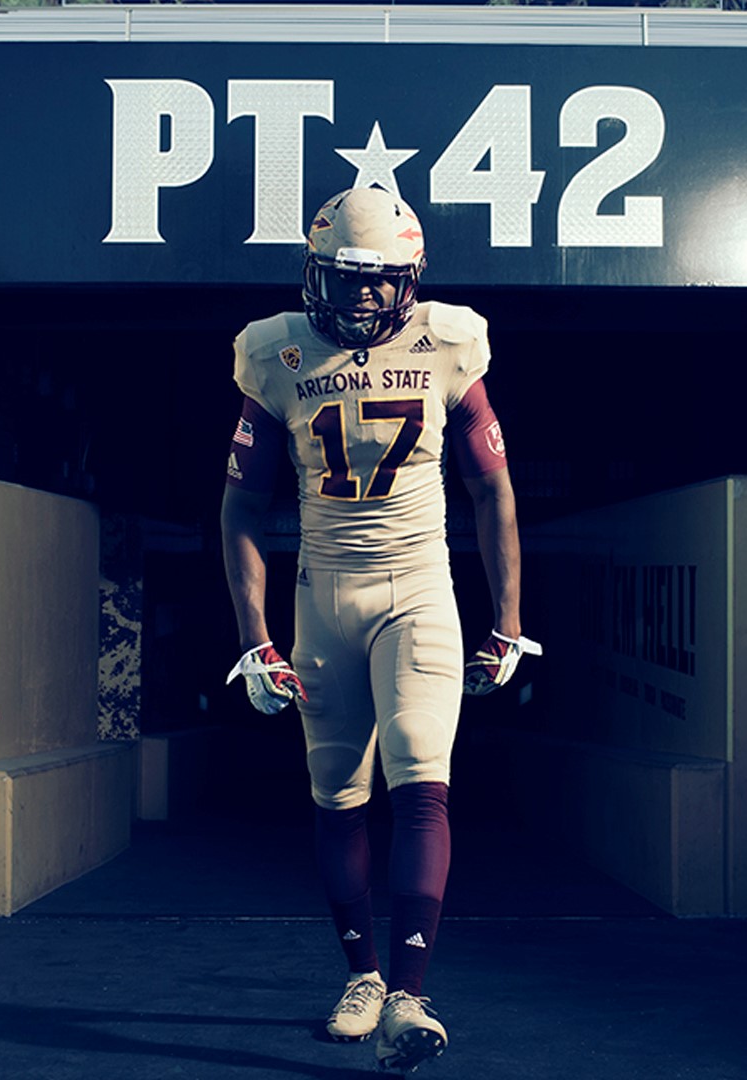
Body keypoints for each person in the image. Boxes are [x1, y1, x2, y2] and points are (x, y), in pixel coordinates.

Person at [220, 185, 539, 1073]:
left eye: (381, 280)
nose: (364, 297)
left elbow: (491, 488)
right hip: (325, 592)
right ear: (314, 274)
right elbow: (243, 502)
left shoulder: (448, 343)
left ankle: (409, 992)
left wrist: (508, 619)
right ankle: (363, 974)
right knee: (337, 792)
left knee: (419, 772)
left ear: (412, 279)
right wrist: (254, 634)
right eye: (347, 278)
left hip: (420, 590)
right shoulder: (274, 354)